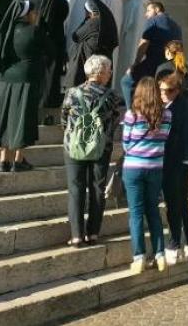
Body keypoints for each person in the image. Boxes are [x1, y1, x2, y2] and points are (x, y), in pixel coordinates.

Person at [0, 0, 52, 172]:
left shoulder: (7, 31)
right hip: (27, 79)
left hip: (5, 80)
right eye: (34, 12)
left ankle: (3, 161)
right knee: (23, 119)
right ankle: (18, 160)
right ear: (27, 14)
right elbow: (51, 50)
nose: (37, 15)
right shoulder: (35, 31)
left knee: (4, 118)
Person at [61, 54, 122, 247]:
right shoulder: (111, 95)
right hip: (100, 147)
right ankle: (93, 232)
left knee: (76, 188)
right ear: (101, 72)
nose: (110, 73)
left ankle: (77, 235)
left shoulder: (72, 92)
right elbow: (114, 119)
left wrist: (73, 134)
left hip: (74, 145)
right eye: (109, 70)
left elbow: (64, 117)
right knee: (97, 188)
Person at [122, 77, 172, 274]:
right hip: (155, 167)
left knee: (135, 212)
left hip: (134, 167)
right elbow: (165, 139)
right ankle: (160, 255)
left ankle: (139, 257)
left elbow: (126, 143)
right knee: (153, 210)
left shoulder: (132, 114)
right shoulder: (167, 115)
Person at [160, 72, 188, 264]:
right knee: (182, 201)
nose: (163, 94)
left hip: (176, 160)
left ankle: (174, 244)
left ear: (177, 90)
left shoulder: (174, 109)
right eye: (160, 89)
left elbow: (173, 138)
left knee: (174, 202)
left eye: (168, 90)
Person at [121, 1, 182, 106]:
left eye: (148, 10)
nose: (146, 14)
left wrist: (135, 63)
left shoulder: (153, 21)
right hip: (170, 65)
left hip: (153, 63)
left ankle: (131, 113)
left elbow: (144, 43)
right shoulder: (177, 26)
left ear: (157, 9)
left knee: (126, 81)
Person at [64, 0, 119, 91]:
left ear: (90, 11)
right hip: (105, 61)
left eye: (86, 11)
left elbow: (76, 36)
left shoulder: (93, 23)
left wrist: (85, 21)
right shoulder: (107, 22)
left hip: (90, 60)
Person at [40, 0, 69, 108]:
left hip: (39, 39)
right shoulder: (63, 4)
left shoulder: (34, 0)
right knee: (53, 74)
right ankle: (50, 101)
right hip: (56, 40)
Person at [117, 0, 150, 76]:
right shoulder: (151, 6)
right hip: (145, 47)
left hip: (130, 45)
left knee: (127, 70)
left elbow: (124, 25)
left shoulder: (133, 4)